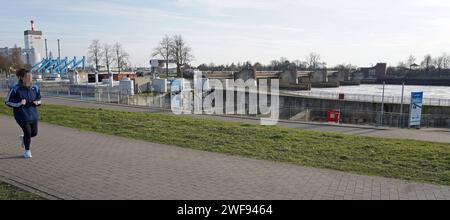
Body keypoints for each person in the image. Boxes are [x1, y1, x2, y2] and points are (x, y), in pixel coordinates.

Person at [4, 69, 42, 159]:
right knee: (28, 132)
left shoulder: (35, 88)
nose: (30, 79)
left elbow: (39, 99)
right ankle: (27, 151)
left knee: (34, 133)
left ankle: (23, 138)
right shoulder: (15, 88)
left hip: (33, 114)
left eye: (31, 77)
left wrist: (37, 102)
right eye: (27, 77)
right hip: (21, 115)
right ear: (21, 78)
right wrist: (19, 103)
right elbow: (7, 102)